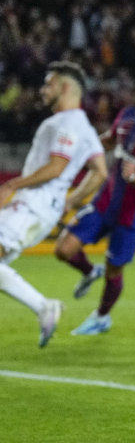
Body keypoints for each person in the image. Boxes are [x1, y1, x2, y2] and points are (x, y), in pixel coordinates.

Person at [56, 67, 135, 336]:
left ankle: (101, 317)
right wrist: (81, 148)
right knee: (64, 249)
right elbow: (109, 141)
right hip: (105, 202)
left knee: (114, 270)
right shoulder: (127, 116)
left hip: (132, 213)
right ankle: (89, 272)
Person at [0, 62, 106, 346]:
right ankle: (43, 307)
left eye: (49, 84)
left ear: (66, 87)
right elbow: (100, 171)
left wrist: (11, 185)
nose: (43, 90)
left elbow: (57, 167)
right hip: (40, 207)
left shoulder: (67, 123)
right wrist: (70, 200)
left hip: (31, 206)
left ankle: (44, 306)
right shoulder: (83, 125)